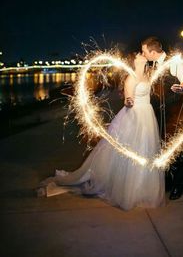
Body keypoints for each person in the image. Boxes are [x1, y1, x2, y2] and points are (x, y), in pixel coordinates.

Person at [37, 53, 165, 211]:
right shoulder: (131, 78)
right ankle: (128, 190)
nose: (142, 55)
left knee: (146, 150)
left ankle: (143, 189)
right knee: (131, 150)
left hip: (147, 115)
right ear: (134, 61)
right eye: (139, 54)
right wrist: (129, 101)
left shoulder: (147, 76)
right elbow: (127, 98)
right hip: (134, 117)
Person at [141, 36, 183, 200]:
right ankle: (168, 181)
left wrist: (181, 87)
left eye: (144, 51)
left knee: (173, 147)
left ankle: (179, 184)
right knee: (160, 146)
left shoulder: (173, 63)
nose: (143, 54)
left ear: (153, 51)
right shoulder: (153, 65)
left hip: (171, 113)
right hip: (157, 113)